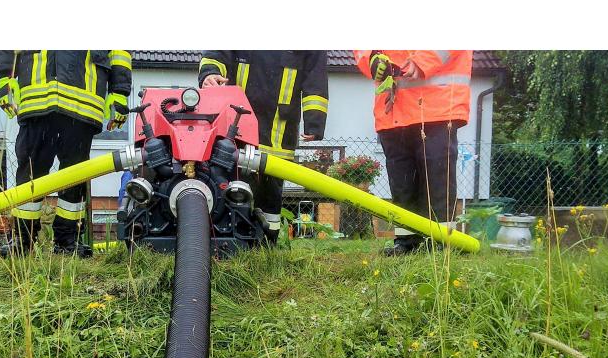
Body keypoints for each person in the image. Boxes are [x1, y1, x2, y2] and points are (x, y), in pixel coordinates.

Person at [0, 49, 132, 258]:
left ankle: (67, 242)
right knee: (30, 173)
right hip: (37, 97)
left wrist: (120, 91)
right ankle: (22, 240)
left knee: (74, 178)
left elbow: (119, 50)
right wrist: (5, 76)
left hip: (83, 102)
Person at [198, 51, 328, 244]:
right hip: (236, 131)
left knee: (270, 199)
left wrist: (315, 121)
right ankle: (227, 245)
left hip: (279, 131)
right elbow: (218, 53)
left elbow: (315, 78)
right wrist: (210, 74)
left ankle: (267, 247)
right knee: (229, 189)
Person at [354, 50, 472, 255]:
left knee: (437, 178)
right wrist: (371, 58)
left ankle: (440, 242)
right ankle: (406, 242)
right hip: (394, 108)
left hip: (437, 106)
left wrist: (422, 61)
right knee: (402, 182)